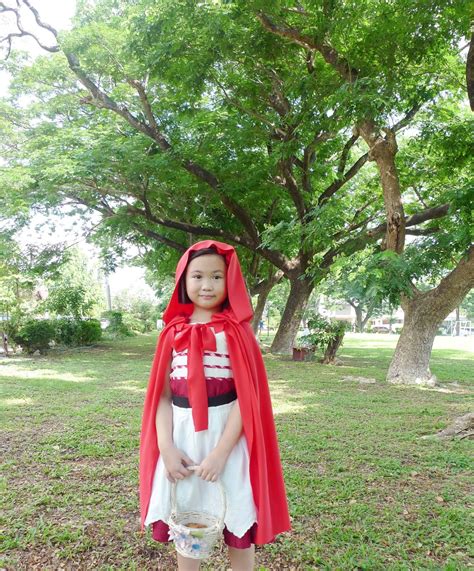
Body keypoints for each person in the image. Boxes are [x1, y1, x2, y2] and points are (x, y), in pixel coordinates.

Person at [139, 240, 290, 570]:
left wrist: (221, 453)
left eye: (216, 277)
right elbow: (162, 396)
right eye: (197, 276)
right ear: (183, 280)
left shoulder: (237, 333)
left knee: (238, 520)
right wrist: (166, 447)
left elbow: (246, 400)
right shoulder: (171, 333)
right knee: (187, 522)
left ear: (230, 280)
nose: (206, 285)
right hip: (182, 443)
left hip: (229, 443)